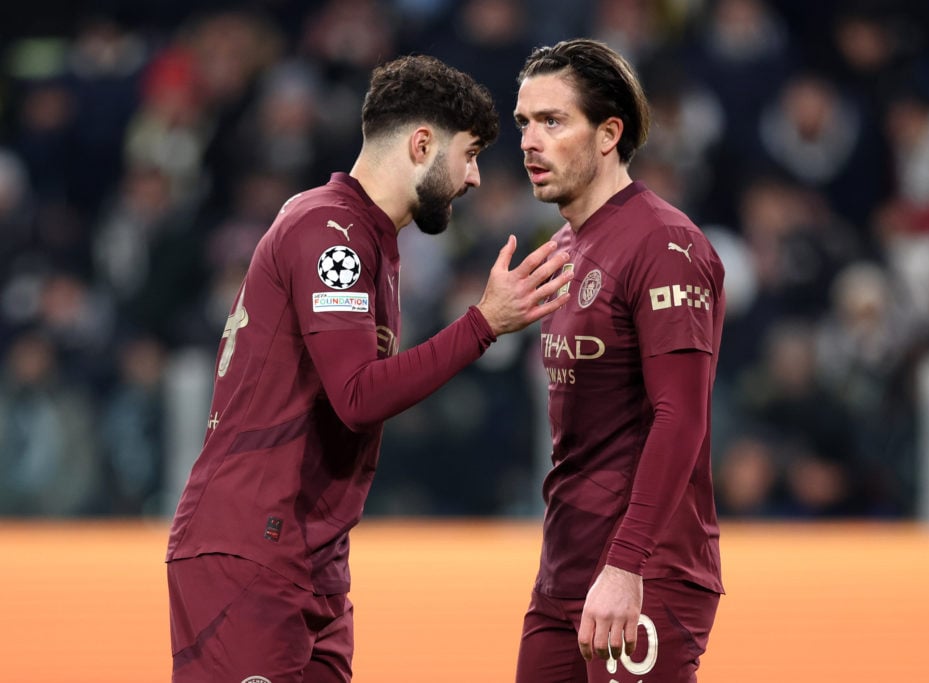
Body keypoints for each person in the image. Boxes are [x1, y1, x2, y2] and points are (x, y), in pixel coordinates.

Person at [164, 54, 571, 682]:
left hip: (309, 556)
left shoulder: (366, 238)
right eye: (469, 154)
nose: (475, 178)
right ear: (420, 143)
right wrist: (483, 324)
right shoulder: (331, 233)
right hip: (249, 550)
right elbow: (356, 396)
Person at [513, 38, 726, 682]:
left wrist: (627, 564)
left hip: (644, 573)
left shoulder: (665, 244)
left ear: (609, 134)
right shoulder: (565, 248)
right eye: (524, 122)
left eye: (553, 121)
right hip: (566, 571)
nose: (528, 140)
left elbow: (680, 415)